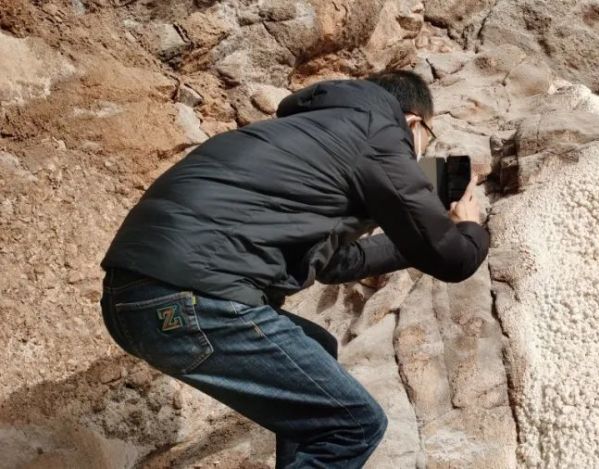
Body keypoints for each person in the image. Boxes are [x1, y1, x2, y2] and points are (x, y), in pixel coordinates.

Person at [98, 70, 488, 468]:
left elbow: (336, 263)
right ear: (412, 122)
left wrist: (420, 232)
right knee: (353, 425)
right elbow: (453, 258)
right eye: (425, 141)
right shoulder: (378, 130)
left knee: (317, 352)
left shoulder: (312, 136)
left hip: (132, 302)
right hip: (193, 297)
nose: (418, 155)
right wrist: (469, 226)